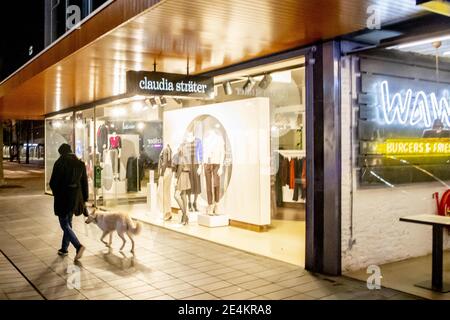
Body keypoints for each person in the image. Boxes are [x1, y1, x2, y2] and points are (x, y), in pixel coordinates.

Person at [49, 143, 87, 261]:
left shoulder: (60, 163)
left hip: (63, 197)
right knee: (68, 222)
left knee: (64, 223)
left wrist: (56, 193)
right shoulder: (80, 163)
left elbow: (53, 182)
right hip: (75, 197)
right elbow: (84, 183)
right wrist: (84, 199)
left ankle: (78, 245)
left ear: (61, 152)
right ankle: (64, 249)